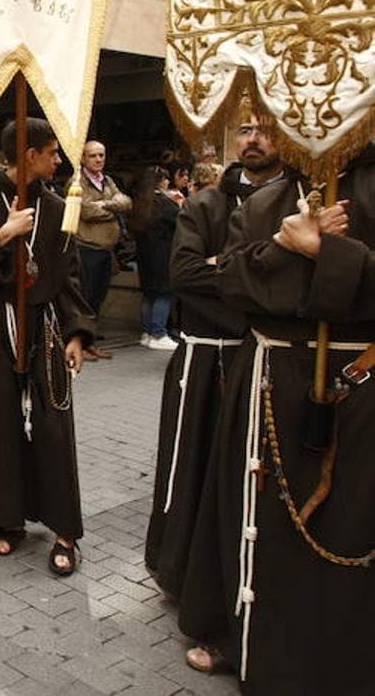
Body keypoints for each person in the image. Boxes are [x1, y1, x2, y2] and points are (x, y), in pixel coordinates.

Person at [175, 141, 373, 692]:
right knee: (256, 519)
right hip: (270, 383)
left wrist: (325, 254)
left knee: (348, 522)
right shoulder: (267, 201)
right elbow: (233, 282)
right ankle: (243, 637)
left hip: (360, 384)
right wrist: (288, 249)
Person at [0, 118, 94, 576]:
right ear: (29, 155)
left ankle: (65, 529)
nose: (59, 160)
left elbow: (67, 274)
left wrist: (76, 333)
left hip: (45, 324)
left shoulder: (55, 206)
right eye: (51, 152)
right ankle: (5, 517)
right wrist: (3, 235)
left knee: (53, 423)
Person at [144, 106, 282, 603]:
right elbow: (184, 276)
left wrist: (222, 268)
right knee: (190, 467)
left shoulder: (296, 202)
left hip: (261, 361)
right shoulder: (203, 206)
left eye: (265, 130)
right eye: (245, 129)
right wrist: (253, 283)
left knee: (244, 476)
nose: (254, 138)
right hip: (203, 359)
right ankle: (178, 571)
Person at [73, 141, 132, 362]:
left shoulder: (107, 180)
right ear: (83, 159)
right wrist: (112, 207)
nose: (98, 159)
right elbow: (86, 211)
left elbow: (126, 202)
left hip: (106, 249)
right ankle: (81, 343)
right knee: (85, 298)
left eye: (101, 155)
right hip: (87, 248)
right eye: (93, 156)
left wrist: (103, 205)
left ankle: (90, 342)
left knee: (97, 299)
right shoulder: (78, 181)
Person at [129, 167, 181, 351]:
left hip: (145, 255)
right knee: (163, 293)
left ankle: (147, 332)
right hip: (163, 254)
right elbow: (180, 221)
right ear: (160, 181)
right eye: (166, 179)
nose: (168, 182)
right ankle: (158, 333)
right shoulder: (166, 204)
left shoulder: (141, 203)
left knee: (149, 293)